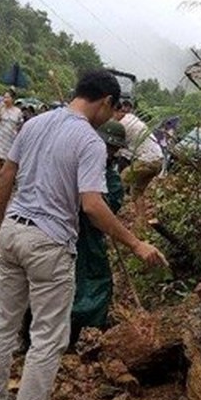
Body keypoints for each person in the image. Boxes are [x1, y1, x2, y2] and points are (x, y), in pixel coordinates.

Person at [0, 70, 168, 400]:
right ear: (105, 102)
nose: (110, 119)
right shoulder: (89, 141)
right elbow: (92, 205)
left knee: (3, 321)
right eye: (113, 111)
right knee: (49, 334)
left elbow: (6, 175)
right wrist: (136, 244)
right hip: (48, 242)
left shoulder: (34, 124)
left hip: (14, 229)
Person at [70, 119, 126, 347]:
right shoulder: (76, 160)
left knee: (96, 281)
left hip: (90, 238)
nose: (107, 152)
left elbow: (107, 207)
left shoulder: (111, 178)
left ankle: (76, 335)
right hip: (64, 231)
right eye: (106, 146)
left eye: (112, 149)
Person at [0, 90, 22, 170]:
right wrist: (0, 108)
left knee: (7, 161)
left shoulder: (18, 111)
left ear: (13, 99)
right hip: (0, 138)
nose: (5, 99)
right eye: (4, 97)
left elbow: (20, 126)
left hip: (11, 139)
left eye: (7, 97)